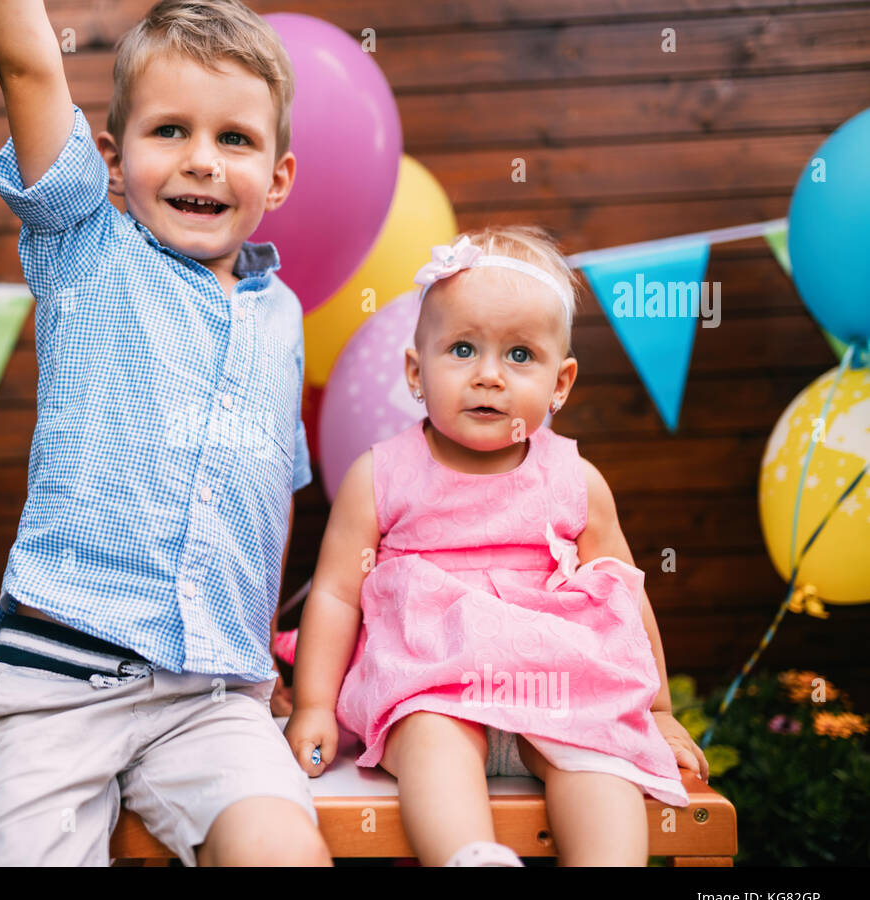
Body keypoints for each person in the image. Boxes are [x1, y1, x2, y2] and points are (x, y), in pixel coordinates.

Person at [0, 0, 331, 866]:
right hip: (57, 685)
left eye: (235, 139)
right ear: (113, 161)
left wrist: (257, 660)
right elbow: (28, 68)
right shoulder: (87, 243)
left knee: (287, 853)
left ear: (277, 178)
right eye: (171, 130)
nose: (203, 159)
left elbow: (266, 494)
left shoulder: (282, 317)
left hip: (210, 700)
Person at [283, 225, 709, 867]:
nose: (488, 376)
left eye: (519, 356)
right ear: (414, 370)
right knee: (433, 744)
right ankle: (471, 857)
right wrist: (314, 705)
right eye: (461, 349)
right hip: (431, 689)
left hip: (562, 696)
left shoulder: (575, 481)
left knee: (600, 762)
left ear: (560, 383)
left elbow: (622, 592)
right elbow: (339, 595)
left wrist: (657, 707)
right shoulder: (381, 476)